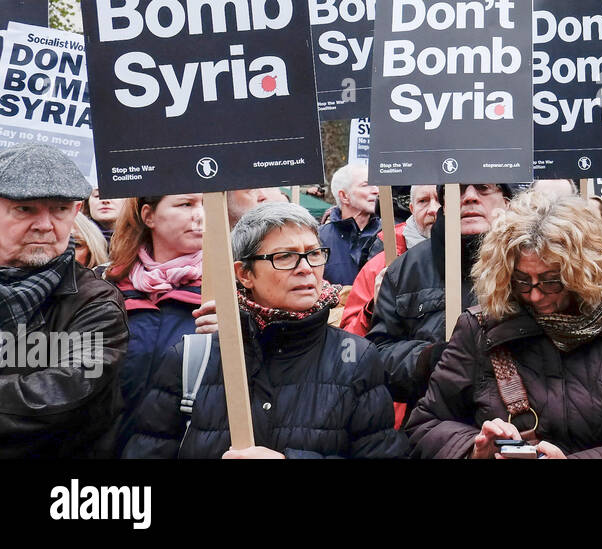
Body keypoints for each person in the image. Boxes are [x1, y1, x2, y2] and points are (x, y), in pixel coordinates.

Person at [123, 203, 408, 458]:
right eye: (285, 257)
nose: (306, 268)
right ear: (244, 274)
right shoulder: (191, 358)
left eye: (314, 254)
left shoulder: (355, 358)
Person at [407, 191, 602, 458]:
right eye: (522, 281)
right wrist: (475, 448)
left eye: (551, 281)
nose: (534, 294)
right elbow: (425, 424)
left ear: (582, 273)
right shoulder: (479, 329)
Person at [0, 144, 128, 458]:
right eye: (25, 209)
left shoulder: (97, 302)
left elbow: (63, 393)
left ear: (76, 212)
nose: (45, 224)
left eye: (59, 208)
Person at [368, 182, 515, 414]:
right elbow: (378, 356)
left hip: (519, 424)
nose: (469, 197)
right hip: (432, 425)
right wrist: (427, 360)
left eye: (483, 188)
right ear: (444, 204)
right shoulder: (407, 269)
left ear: (507, 201)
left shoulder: (532, 262)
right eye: (458, 189)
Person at [103, 193, 207, 451]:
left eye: (208, 204)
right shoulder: (104, 286)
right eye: (186, 204)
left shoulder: (235, 291)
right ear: (148, 215)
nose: (200, 215)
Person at [341, 184, 440, 337]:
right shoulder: (379, 267)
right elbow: (348, 341)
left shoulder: (479, 259)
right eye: (423, 201)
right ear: (412, 209)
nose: (433, 209)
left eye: (440, 200)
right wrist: (373, 308)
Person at [318, 164, 382, 287]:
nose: (376, 190)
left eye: (376, 184)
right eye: (366, 185)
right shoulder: (319, 238)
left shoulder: (389, 234)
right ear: (344, 196)